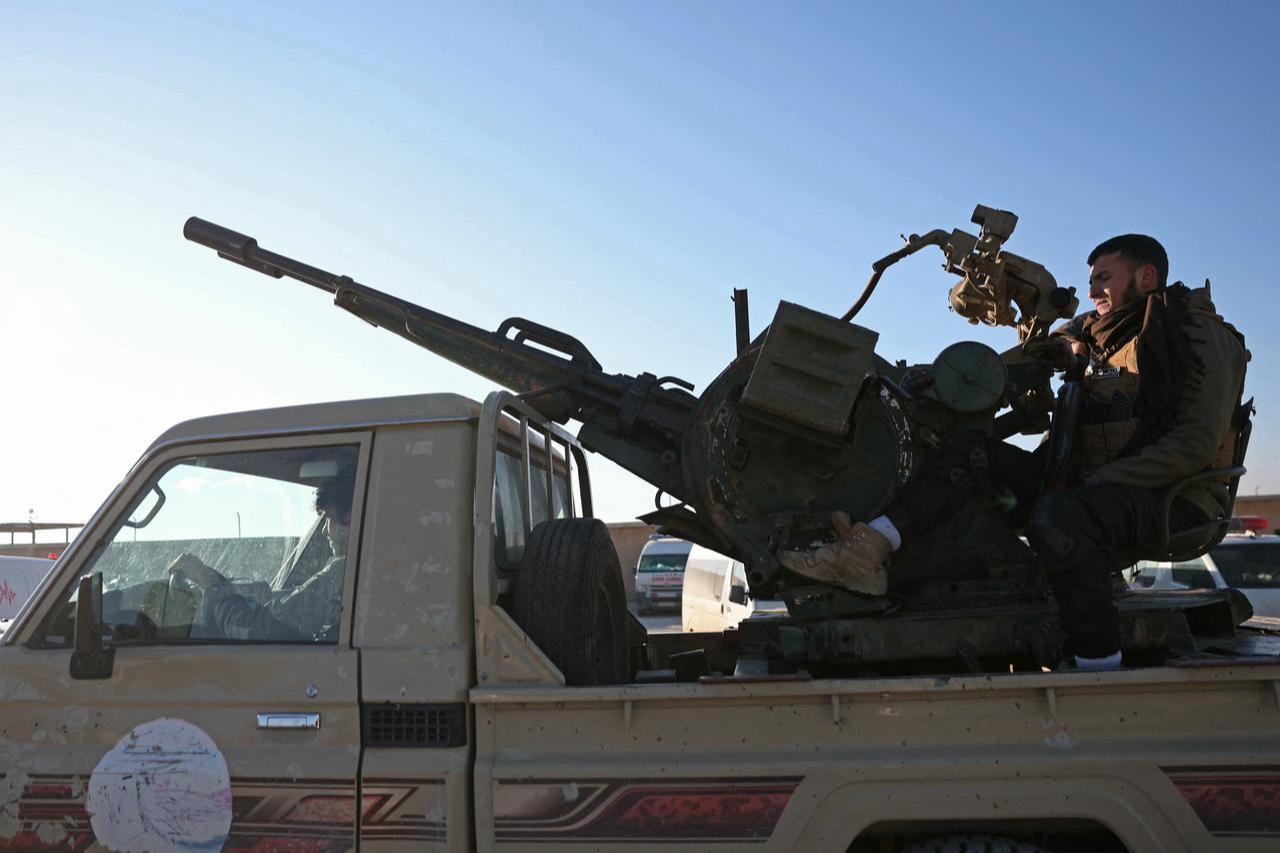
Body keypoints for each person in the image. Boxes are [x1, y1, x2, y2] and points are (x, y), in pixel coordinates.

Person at [780, 234, 1249, 671]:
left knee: (1060, 517)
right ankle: (867, 553)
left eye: (1104, 279)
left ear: (1146, 278)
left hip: (1171, 499)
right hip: (1091, 492)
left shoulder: (1195, 334)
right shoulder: (1094, 338)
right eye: (1091, 284)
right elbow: (1053, 343)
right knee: (969, 454)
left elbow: (1193, 444)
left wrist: (1094, 486)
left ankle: (1099, 666)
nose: (1093, 294)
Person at [168, 482, 352, 642]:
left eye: (330, 518)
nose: (324, 531)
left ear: (351, 517)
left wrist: (210, 584)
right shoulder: (363, 574)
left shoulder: (344, 575)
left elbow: (254, 631)